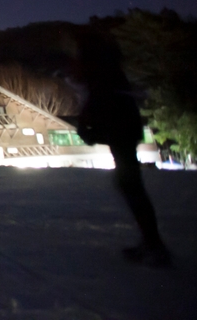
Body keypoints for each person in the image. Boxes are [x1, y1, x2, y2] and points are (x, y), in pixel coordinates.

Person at [72, 26, 170, 266]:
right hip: (123, 124)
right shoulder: (107, 63)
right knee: (129, 183)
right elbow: (100, 94)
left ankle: (154, 245)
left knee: (130, 183)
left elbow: (99, 95)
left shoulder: (98, 65)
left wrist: (87, 126)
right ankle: (151, 242)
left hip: (118, 125)